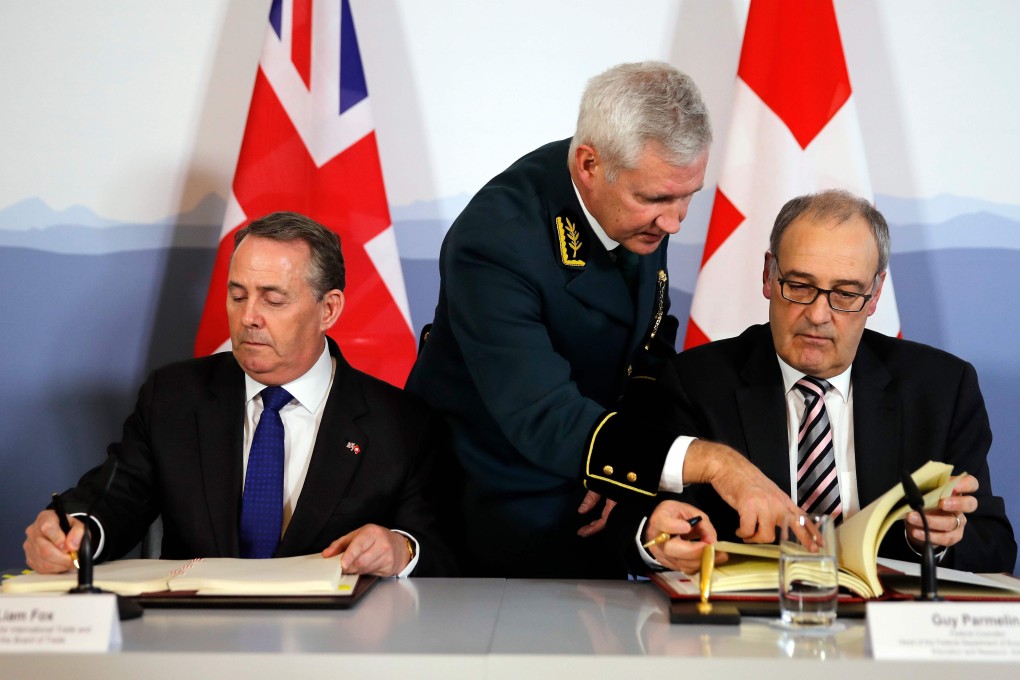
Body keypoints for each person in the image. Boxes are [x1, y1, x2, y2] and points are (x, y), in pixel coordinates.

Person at [406, 61, 798, 577]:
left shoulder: (631, 191)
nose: (676, 222)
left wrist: (627, 471)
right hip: (491, 511)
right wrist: (716, 463)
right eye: (657, 199)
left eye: (689, 197)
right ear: (589, 165)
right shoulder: (495, 241)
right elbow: (543, 415)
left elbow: (648, 348)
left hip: (593, 491)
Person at [593, 190, 1016, 574]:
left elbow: (995, 545)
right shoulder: (695, 383)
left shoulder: (941, 388)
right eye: (799, 285)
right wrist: (654, 539)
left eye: (846, 294)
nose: (818, 314)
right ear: (768, 276)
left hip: (886, 639)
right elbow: (627, 523)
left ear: (876, 294)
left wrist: (933, 542)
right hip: (747, 637)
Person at [24, 211, 457, 577]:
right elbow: (116, 497)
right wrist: (73, 531)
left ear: (328, 310)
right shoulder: (173, 398)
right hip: (195, 646)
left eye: (273, 299)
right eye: (237, 296)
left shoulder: (399, 422)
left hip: (337, 651)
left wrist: (399, 548)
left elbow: (439, 545)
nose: (248, 317)